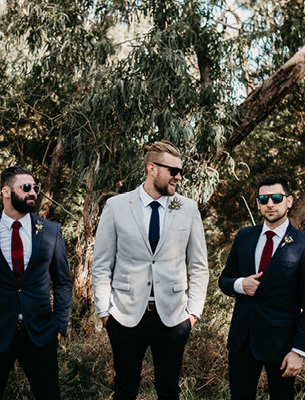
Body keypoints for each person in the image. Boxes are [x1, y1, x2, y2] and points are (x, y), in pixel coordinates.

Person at [92, 140, 209, 400]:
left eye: (180, 171)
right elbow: (101, 264)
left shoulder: (188, 208)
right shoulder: (116, 206)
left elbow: (199, 265)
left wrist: (193, 314)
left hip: (174, 317)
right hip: (124, 315)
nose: (179, 177)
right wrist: (105, 313)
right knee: (125, 388)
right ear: (151, 168)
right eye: (173, 171)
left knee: (169, 390)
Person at [0, 166, 72, 400]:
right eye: (26, 187)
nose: (33, 192)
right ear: (6, 192)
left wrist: (59, 325)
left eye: (35, 188)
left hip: (40, 333)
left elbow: (63, 282)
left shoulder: (50, 231)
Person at [218, 174, 305, 400]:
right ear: (258, 203)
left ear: (289, 201)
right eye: (264, 199)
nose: (270, 204)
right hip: (243, 340)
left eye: (276, 198)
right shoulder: (244, 236)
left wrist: (299, 351)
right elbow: (224, 280)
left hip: (282, 345)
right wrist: (240, 284)